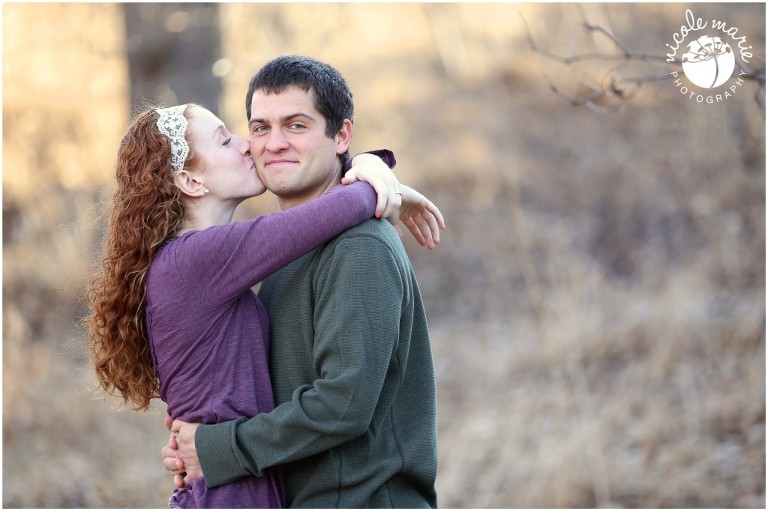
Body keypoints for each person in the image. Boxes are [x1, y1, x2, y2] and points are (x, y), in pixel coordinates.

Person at [86, 102, 444, 508]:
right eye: (225, 140)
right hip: (233, 492)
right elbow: (349, 205)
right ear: (189, 180)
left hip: (236, 479)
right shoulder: (197, 259)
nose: (246, 147)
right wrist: (374, 169)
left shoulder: (200, 263)